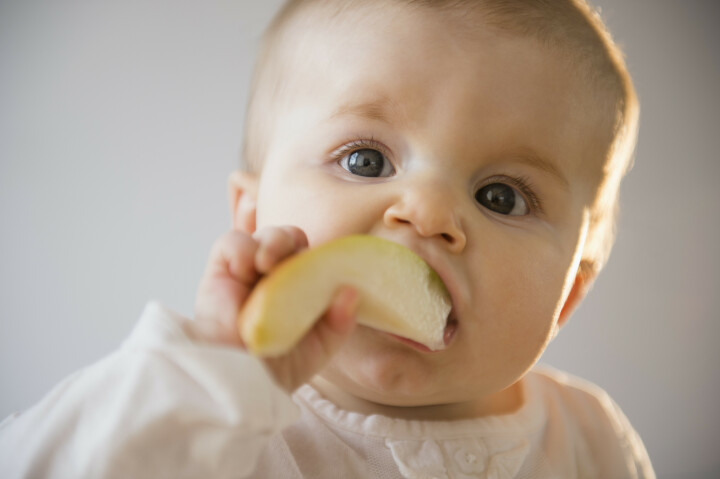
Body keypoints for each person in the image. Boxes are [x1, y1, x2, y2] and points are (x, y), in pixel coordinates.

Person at [0, 0, 655, 477]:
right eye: (365, 160)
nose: (426, 215)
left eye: (502, 197)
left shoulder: (590, 441)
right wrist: (212, 374)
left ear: (569, 292)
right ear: (253, 218)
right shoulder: (211, 422)